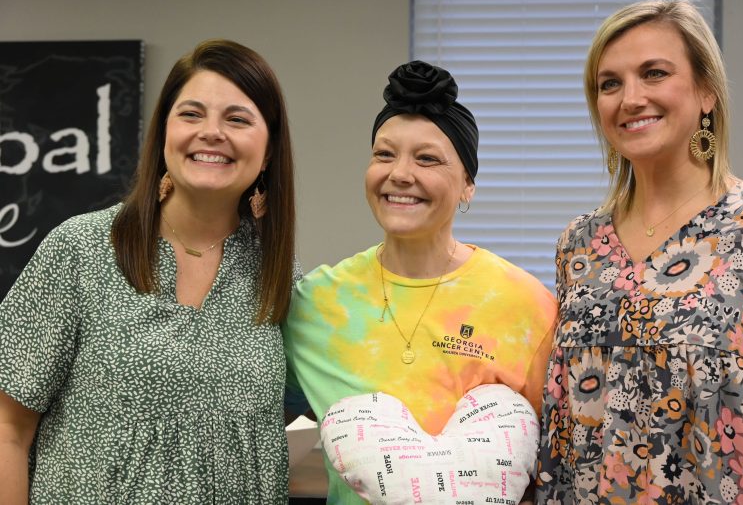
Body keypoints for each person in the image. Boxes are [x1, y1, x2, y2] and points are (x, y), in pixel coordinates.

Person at [535, 0, 743, 503]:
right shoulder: (579, 245)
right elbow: (562, 425)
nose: (630, 98)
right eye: (609, 84)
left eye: (654, 73)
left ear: (707, 91)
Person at [0, 39, 298, 504]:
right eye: (191, 114)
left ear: (270, 151)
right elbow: (7, 429)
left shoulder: (279, 277)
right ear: (164, 133)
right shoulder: (81, 250)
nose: (211, 133)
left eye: (237, 119)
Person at [284, 60, 558, 504]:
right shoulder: (317, 304)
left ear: (468, 183)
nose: (400, 174)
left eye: (427, 158)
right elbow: (256, 414)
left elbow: (560, 463)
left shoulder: (527, 307)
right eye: (384, 154)